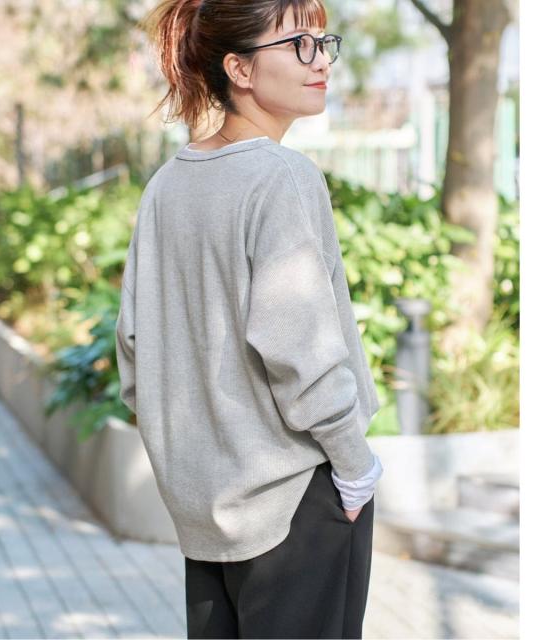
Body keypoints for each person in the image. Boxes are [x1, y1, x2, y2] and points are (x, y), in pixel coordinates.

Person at [116, 1, 384, 637]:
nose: (321, 61)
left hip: (207, 515)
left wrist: (193, 469)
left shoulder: (166, 186)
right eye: (298, 44)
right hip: (297, 500)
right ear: (238, 68)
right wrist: (354, 467)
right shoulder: (281, 176)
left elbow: (134, 350)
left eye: (323, 41)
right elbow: (301, 351)